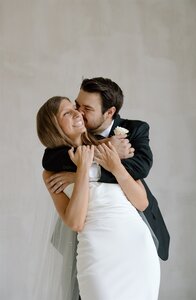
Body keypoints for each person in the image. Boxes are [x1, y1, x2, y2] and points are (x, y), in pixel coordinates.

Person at [37, 96, 160, 300]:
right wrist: (83, 168)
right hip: (97, 253)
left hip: (138, 247)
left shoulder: (110, 149)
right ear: (54, 128)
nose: (78, 113)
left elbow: (142, 202)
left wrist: (115, 166)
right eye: (67, 113)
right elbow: (76, 222)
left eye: (74, 108)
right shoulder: (51, 173)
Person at [42, 77, 170, 261]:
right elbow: (50, 159)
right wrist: (104, 147)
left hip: (134, 228)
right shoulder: (75, 131)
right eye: (78, 105)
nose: (79, 113)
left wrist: (83, 174)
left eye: (87, 109)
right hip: (89, 236)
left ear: (109, 112)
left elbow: (139, 168)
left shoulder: (135, 130)